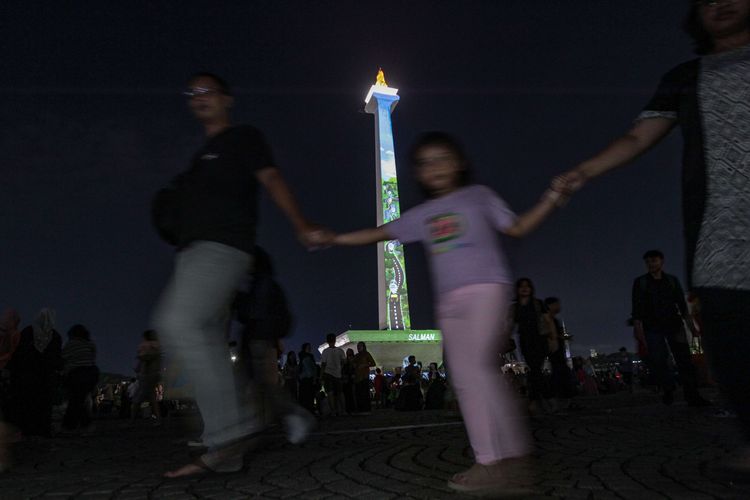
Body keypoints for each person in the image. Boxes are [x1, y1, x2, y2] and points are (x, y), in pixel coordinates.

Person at [559, 0, 750, 470]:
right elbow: (639, 136)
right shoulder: (686, 78)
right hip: (718, 239)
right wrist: (585, 170)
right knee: (731, 350)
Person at [329, 131, 568, 493]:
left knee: (478, 368)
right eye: (424, 163)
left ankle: (513, 457)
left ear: (459, 163)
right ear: (419, 175)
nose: (434, 166)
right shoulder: (422, 214)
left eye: (441, 157)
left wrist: (552, 198)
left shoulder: (479, 196)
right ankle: (489, 460)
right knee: (464, 378)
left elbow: (517, 226)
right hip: (449, 302)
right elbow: (379, 233)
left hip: (488, 288)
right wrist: (333, 238)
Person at [151, 72, 327, 477]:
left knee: (176, 322)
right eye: (191, 92)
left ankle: (233, 427)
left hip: (222, 248)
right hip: (192, 254)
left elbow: (271, 178)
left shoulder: (243, 138)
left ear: (227, 98)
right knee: (207, 337)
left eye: (207, 90)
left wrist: (300, 224)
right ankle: (225, 447)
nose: (199, 97)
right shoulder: (200, 158)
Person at [632, 250, 708, 406]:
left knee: (684, 360)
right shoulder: (640, 283)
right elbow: (637, 310)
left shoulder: (672, 281)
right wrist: (639, 331)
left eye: (653, 261)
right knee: (659, 361)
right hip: (652, 328)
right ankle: (668, 389)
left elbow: (682, 305)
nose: (650, 264)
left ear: (661, 261)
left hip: (674, 325)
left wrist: (691, 327)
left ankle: (692, 395)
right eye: (648, 262)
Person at [7, 308, 63, 437]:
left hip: (26, 374)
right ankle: (41, 430)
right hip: (45, 376)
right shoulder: (55, 336)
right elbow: (56, 358)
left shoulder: (27, 332)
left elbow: (16, 352)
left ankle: (26, 430)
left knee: (27, 402)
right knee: (42, 404)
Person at [508, 279, 557, 414]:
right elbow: (510, 325)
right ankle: (546, 399)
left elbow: (549, 321)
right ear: (517, 289)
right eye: (521, 286)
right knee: (535, 370)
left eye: (527, 286)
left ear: (531, 289)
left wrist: (553, 339)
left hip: (539, 340)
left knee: (535, 369)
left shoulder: (538, 303)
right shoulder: (515, 307)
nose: (525, 289)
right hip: (525, 341)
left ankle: (536, 402)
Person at [61, 324, 99, 433]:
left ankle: (70, 426)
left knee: (75, 400)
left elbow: (63, 358)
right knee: (79, 400)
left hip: (76, 375)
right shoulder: (91, 344)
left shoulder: (70, 344)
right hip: (91, 373)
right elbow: (92, 358)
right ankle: (82, 425)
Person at [544, 297, 576, 406]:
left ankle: (563, 400)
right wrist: (560, 338)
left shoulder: (554, 320)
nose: (559, 306)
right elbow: (548, 334)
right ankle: (556, 399)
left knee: (561, 373)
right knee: (560, 374)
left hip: (558, 352)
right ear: (550, 305)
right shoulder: (547, 319)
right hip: (555, 351)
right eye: (557, 304)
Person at [130, 330, 162, 424]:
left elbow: (145, 358)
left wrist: (138, 366)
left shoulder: (146, 345)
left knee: (137, 399)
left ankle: (132, 421)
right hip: (155, 374)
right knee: (152, 398)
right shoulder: (157, 345)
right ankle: (158, 419)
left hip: (146, 374)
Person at [320, 333, 346, 417]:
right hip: (338, 374)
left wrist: (321, 376)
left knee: (330, 393)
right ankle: (343, 410)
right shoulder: (340, 351)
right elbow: (344, 362)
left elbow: (323, 364)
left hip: (328, 374)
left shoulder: (325, 351)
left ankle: (333, 411)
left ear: (327, 341)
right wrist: (339, 368)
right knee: (340, 393)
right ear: (335, 340)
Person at [352, 342, 376, 414]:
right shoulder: (356, 355)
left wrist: (365, 365)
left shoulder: (366, 354)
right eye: (358, 346)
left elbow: (373, 363)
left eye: (360, 346)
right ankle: (360, 408)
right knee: (359, 393)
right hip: (357, 377)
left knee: (365, 393)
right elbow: (353, 364)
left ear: (363, 347)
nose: (358, 347)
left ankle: (366, 408)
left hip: (364, 376)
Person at [297, 343, 317, 414]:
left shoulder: (302, 356)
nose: (310, 348)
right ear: (305, 348)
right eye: (309, 347)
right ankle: (310, 411)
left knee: (305, 397)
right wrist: (314, 378)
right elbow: (312, 369)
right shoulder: (308, 357)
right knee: (309, 396)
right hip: (308, 379)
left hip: (304, 379)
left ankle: (306, 411)